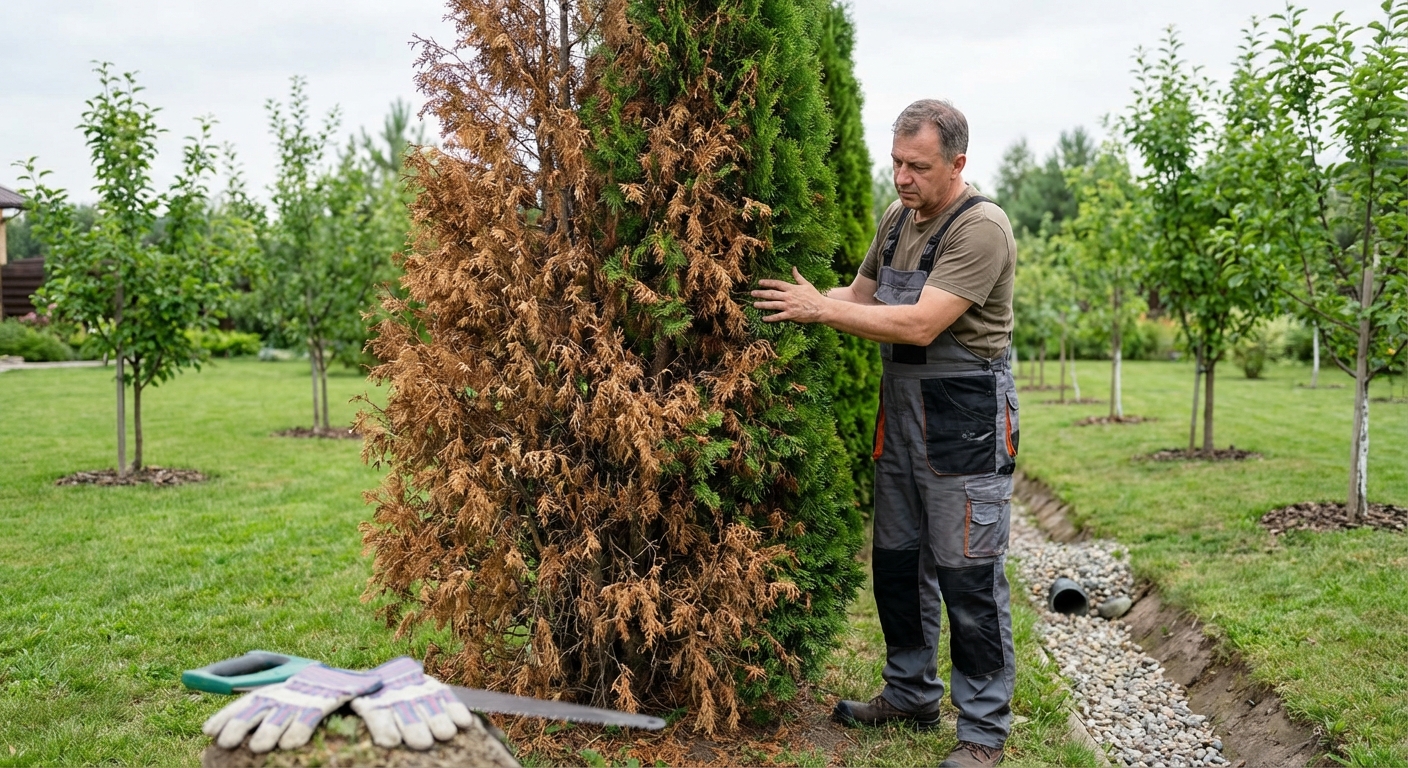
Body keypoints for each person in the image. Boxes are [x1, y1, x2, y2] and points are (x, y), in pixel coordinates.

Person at [750, 99, 1018, 768]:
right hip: (900, 414)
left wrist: (821, 313)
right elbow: (862, 297)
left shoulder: (980, 228)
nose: (901, 178)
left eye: (918, 167)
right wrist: (800, 298)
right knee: (897, 564)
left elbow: (922, 324)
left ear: (956, 163)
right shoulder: (899, 218)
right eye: (896, 163)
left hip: (964, 418)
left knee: (969, 578)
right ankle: (910, 693)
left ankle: (982, 733)